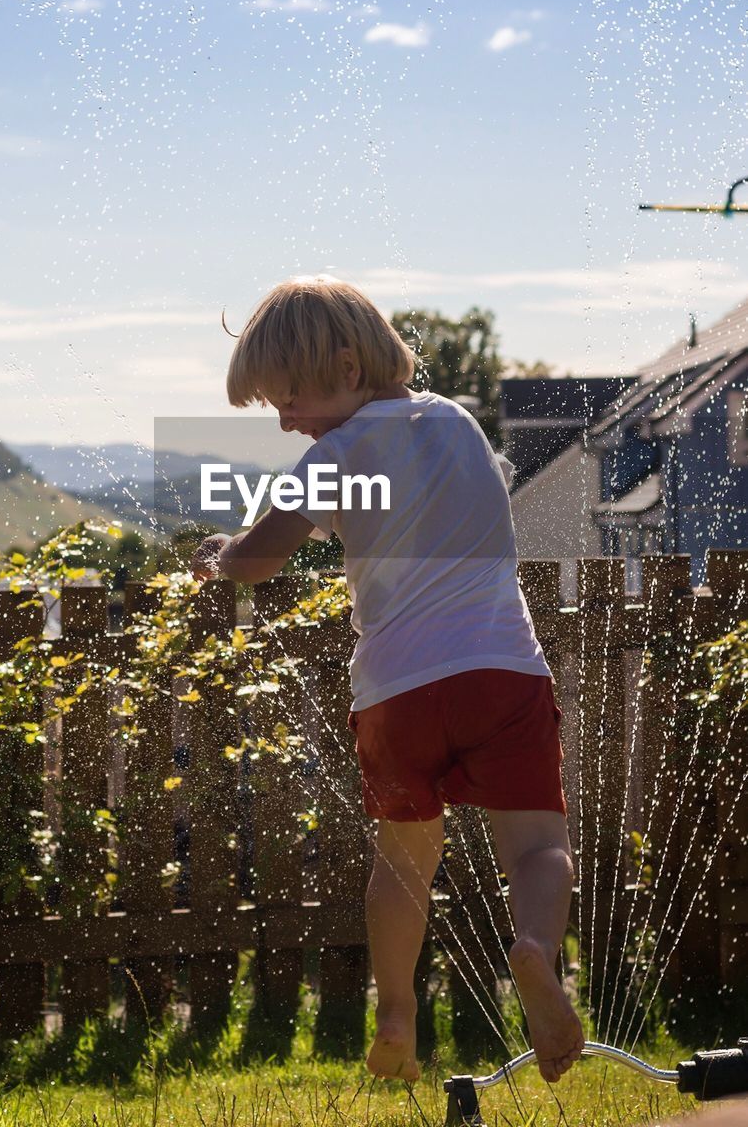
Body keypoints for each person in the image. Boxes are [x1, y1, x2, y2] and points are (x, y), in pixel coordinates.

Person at [190, 274, 585, 1085]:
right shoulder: (462, 425)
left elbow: (258, 561)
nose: (284, 419)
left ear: (344, 371)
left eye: (288, 398)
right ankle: (536, 950)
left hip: (397, 694)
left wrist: (218, 558)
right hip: (500, 671)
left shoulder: (334, 455)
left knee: (403, 861)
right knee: (540, 846)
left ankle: (397, 1012)